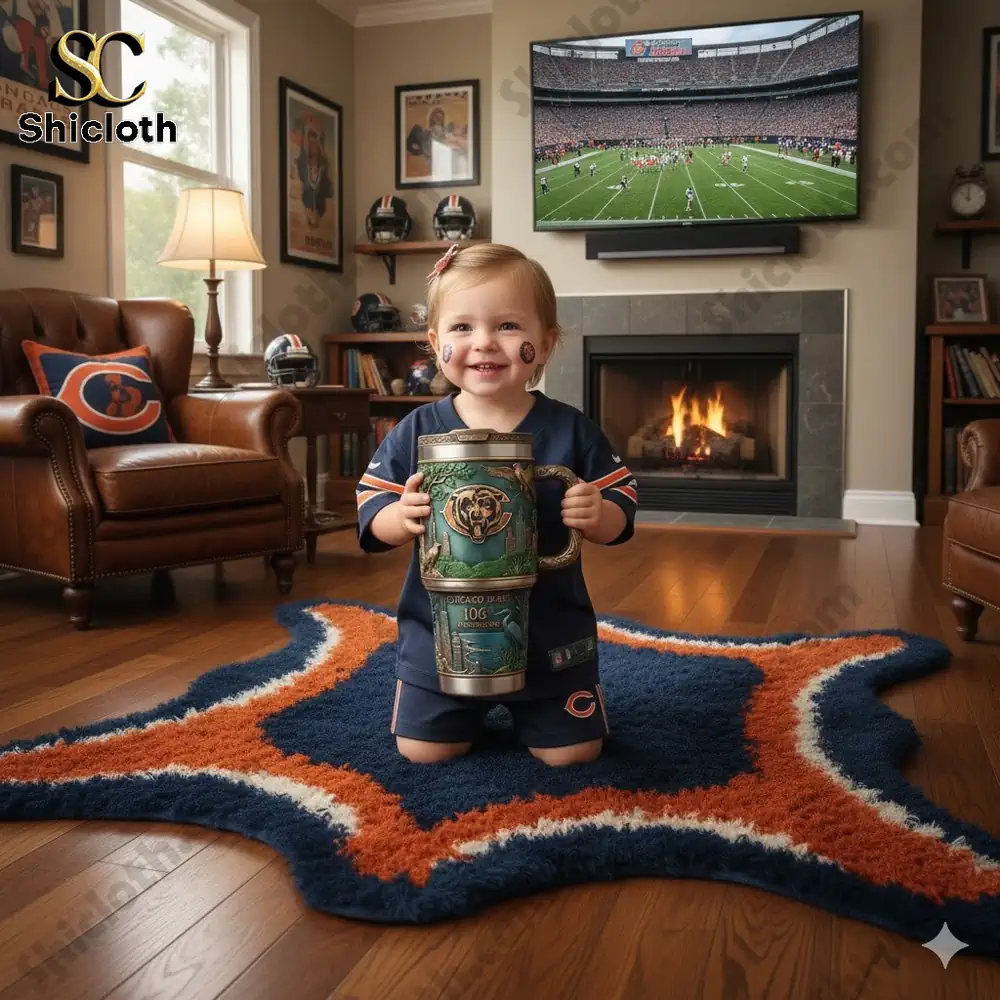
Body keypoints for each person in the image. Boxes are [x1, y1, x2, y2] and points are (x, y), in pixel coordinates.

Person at [356, 243, 638, 767]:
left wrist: (601, 514)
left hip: (551, 639)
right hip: (440, 641)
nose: (484, 342)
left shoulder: (572, 428)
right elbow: (372, 504)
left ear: (546, 343)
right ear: (435, 342)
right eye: (462, 328)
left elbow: (620, 496)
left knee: (574, 754)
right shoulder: (415, 431)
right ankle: (452, 706)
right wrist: (399, 517)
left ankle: (541, 708)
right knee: (423, 752)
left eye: (508, 326)